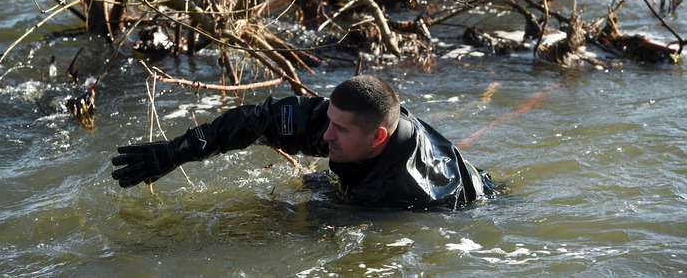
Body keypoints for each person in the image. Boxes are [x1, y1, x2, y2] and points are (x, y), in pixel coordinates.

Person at [111, 75, 495, 209]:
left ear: (378, 136)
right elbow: (258, 119)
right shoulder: (342, 120)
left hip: (451, 201)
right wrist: (177, 151)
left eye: (340, 131)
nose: (325, 135)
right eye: (328, 121)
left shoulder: (396, 193)